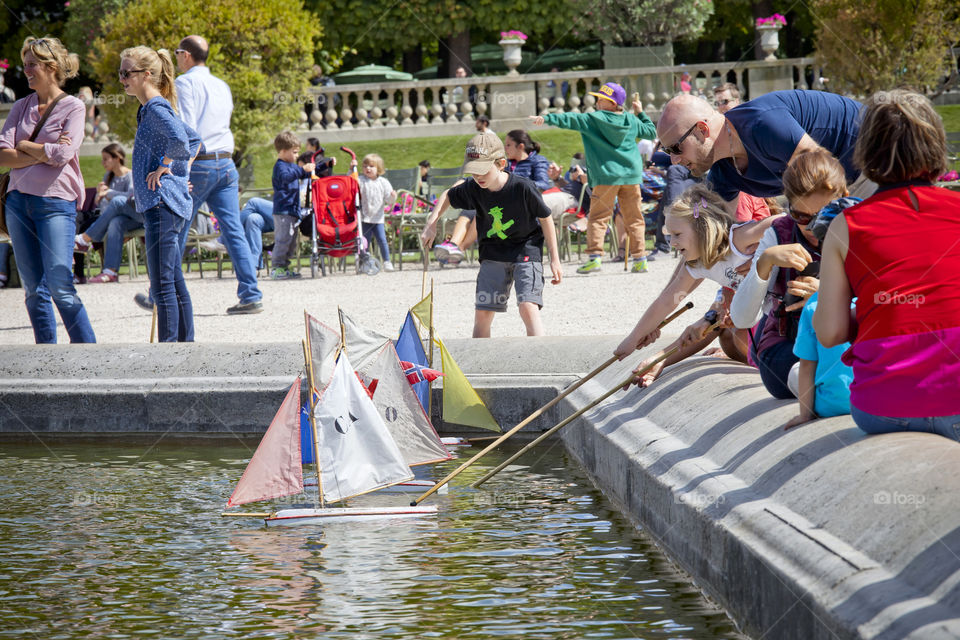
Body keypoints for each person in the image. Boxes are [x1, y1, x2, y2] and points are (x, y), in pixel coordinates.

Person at [814, 90, 960, 440]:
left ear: (866, 151)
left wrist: (877, 312)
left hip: (883, 408)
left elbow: (830, 332)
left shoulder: (846, 225)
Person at [614, 184, 780, 385]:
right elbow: (667, 301)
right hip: (768, 315)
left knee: (747, 340)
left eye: (677, 234)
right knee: (733, 335)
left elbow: (780, 221)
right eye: (669, 235)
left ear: (702, 228)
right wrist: (633, 340)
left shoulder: (738, 240)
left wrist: (766, 252)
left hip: (790, 307)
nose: (671, 243)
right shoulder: (698, 263)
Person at [730, 150, 851, 399]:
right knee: (789, 372)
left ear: (843, 199)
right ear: (789, 207)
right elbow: (742, 320)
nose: (810, 227)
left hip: (846, 336)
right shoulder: (778, 234)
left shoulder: (858, 229)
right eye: (800, 216)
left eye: (822, 216)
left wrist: (824, 296)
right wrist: (764, 262)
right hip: (789, 345)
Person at [0, 36, 95, 344]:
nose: (26, 71)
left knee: (60, 284)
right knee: (33, 288)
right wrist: (43, 151)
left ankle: (89, 355)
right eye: (24, 65)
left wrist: (24, 146)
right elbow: (2, 155)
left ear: (51, 67)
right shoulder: (20, 106)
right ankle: (47, 358)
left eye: (32, 65)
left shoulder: (74, 107)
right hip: (17, 202)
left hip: (56, 202)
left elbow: (64, 156)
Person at [656, 90, 869, 215]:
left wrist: (783, 227)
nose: (674, 161)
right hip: (846, 179)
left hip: (873, 151)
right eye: (667, 151)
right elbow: (714, 233)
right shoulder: (722, 172)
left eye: (676, 148)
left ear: (702, 130)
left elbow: (820, 172)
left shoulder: (762, 123)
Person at [437, 131, 562, 337]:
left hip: (526, 251)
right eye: (473, 172)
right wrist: (431, 225)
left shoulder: (523, 187)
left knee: (528, 307)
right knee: (483, 313)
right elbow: (448, 195)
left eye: (483, 171)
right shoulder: (474, 187)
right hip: (493, 254)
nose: (478, 177)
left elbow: (546, 218)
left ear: (501, 164)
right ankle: (479, 365)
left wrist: (555, 260)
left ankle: (539, 357)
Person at [174, 35, 263, 314]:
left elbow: (187, 128)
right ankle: (251, 294)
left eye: (177, 53)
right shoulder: (222, 85)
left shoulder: (184, 82)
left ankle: (160, 292)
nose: (176, 58)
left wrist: (179, 171)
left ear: (186, 55)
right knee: (234, 231)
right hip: (226, 163)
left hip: (200, 163)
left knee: (176, 227)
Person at [532, 81, 657, 274]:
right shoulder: (631, 120)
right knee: (635, 218)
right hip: (631, 175)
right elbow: (650, 131)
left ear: (613, 103)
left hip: (607, 176)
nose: (598, 101)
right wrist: (639, 112)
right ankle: (640, 259)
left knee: (598, 217)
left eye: (603, 99)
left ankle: (595, 258)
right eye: (598, 97)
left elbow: (569, 119)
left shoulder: (593, 119)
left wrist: (547, 118)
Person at [120, 45, 200, 342]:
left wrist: (168, 168)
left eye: (127, 73)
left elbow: (182, 140)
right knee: (173, 279)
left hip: (161, 204)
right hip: (163, 202)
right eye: (121, 73)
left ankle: (169, 350)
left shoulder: (155, 106)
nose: (122, 79)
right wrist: (180, 174)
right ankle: (184, 345)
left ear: (147, 74)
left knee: (162, 282)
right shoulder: (150, 108)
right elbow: (194, 139)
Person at [783, 291, 854, 429]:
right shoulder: (876, 296)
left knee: (794, 372)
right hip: (871, 400)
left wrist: (805, 415)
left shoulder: (814, 303)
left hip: (829, 405)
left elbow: (806, 366)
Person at [74, 143, 142, 283]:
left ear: (117, 158)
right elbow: (104, 206)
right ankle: (110, 272)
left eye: (106, 159)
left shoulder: (131, 174)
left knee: (117, 201)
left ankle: (85, 239)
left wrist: (108, 193)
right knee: (115, 222)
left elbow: (131, 196)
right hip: (121, 218)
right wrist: (100, 195)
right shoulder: (108, 176)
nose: (103, 162)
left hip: (138, 214)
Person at [269, 131, 313, 280]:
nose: (296, 156)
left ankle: (284, 267)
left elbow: (306, 174)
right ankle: (276, 267)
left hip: (293, 210)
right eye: (294, 152)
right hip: (283, 211)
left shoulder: (292, 166)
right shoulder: (280, 167)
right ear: (283, 151)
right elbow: (287, 178)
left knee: (291, 241)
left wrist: (322, 165)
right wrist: (302, 170)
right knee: (283, 239)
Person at [358, 153, 396, 272]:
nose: (367, 169)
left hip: (378, 218)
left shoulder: (383, 182)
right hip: (365, 217)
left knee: (382, 240)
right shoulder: (361, 180)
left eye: (371, 166)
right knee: (364, 242)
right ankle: (365, 263)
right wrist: (351, 168)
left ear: (378, 168)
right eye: (365, 166)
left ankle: (387, 261)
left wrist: (393, 197)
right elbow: (351, 182)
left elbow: (388, 200)